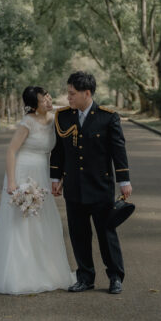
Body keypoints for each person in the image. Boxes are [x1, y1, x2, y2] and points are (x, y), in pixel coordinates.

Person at [0, 86, 75, 294]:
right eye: (43, 100)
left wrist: (60, 176)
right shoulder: (27, 123)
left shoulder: (55, 118)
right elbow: (11, 151)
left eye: (48, 96)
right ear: (33, 106)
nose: (48, 101)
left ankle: (46, 270)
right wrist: (12, 182)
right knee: (21, 222)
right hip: (23, 172)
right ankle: (19, 274)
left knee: (43, 220)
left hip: (42, 172)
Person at [50, 71, 132, 295]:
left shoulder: (108, 117)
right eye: (68, 93)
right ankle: (85, 278)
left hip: (100, 186)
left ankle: (115, 277)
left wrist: (124, 180)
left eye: (72, 93)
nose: (68, 97)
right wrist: (55, 177)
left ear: (87, 93)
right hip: (74, 187)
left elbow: (118, 150)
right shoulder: (63, 117)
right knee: (79, 235)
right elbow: (58, 150)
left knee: (107, 234)